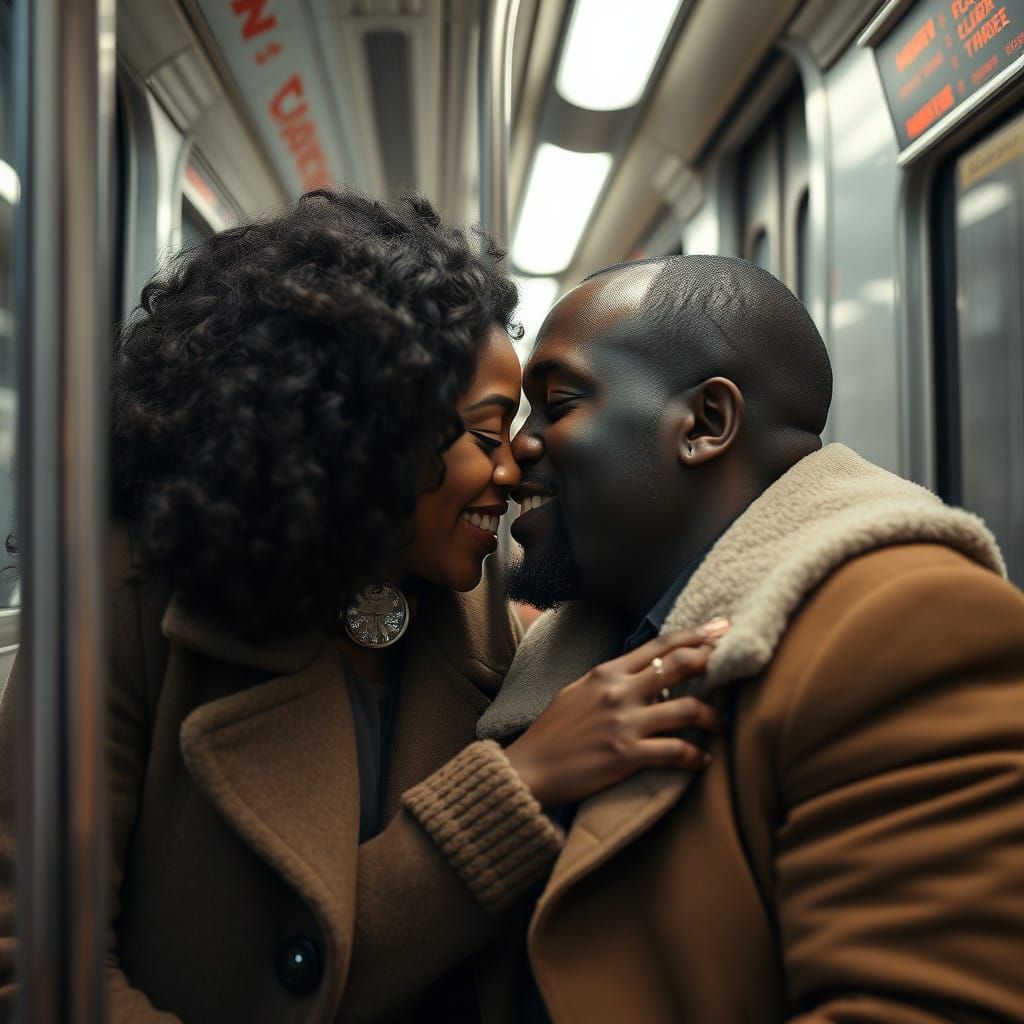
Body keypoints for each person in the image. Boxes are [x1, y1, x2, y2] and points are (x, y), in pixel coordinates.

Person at [0, 195, 723, 1023]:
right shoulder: (125, 594)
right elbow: (34, 970)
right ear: (368, 431)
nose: (512, 472)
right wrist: (517, 784)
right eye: (487, 436)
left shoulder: (473, 600)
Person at [477, 254, 1024, 1023]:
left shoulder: (910, 623)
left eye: (557, 405)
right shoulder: (574, 651)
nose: (514, 453)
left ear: (705, 424)